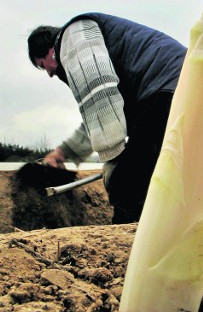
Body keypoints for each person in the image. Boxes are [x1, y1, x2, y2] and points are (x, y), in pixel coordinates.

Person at [28, 13, 187, 224]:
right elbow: (105, 107)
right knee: (158, 169)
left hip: (165, 85)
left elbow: (100, 104)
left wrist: (112, 160)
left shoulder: (73, 38)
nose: (48, 73)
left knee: (127, 181)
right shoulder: (94, 44)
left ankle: (127, 236)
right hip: (184, 81)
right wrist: (63, 153)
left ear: (49, 49)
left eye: (42, 64)